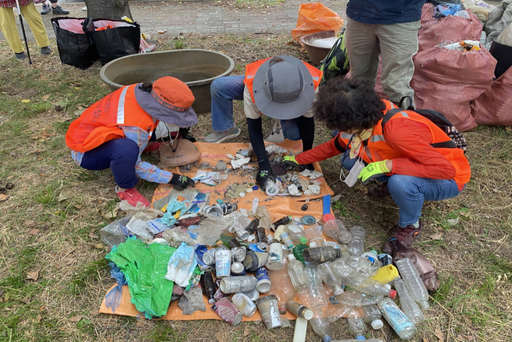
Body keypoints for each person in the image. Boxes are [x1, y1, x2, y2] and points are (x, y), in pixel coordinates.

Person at [282, 78, 470, 253]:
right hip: (414, 163)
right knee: (349, 160)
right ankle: (393, 185)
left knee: (401, 183)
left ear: (354, 122)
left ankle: (410, 224)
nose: (341, 131)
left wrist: (389, 165)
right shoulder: (364, 122)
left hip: (449, 178)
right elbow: (335, 146)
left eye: (342, 128)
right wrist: (300, 159)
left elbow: (445, 170)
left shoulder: (396, 131)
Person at [65, 77, 197, 208]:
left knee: (139, 139)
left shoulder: (141, 90)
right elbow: (136, 165)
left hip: (95, 130)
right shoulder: (137, 126)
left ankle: (139, 147)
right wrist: (172, 178)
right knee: (127, 151)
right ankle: (125, 189)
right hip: (86, 151)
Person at [204, 55, 323, 190]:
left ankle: (286, 120)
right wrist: (264, 164)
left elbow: (308, 122)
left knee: (294, 134)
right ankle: (226, 128)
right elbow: (254, 126)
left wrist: (306, 156)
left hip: (292, 96)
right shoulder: (253, 87)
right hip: (265, 84)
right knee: (219, 86)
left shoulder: (311, 88)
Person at [345, 0, 425, 109]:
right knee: (358, 80)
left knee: (396, 86)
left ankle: (404, 123)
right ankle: (359, 122)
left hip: (400, 18)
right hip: (359, 15)